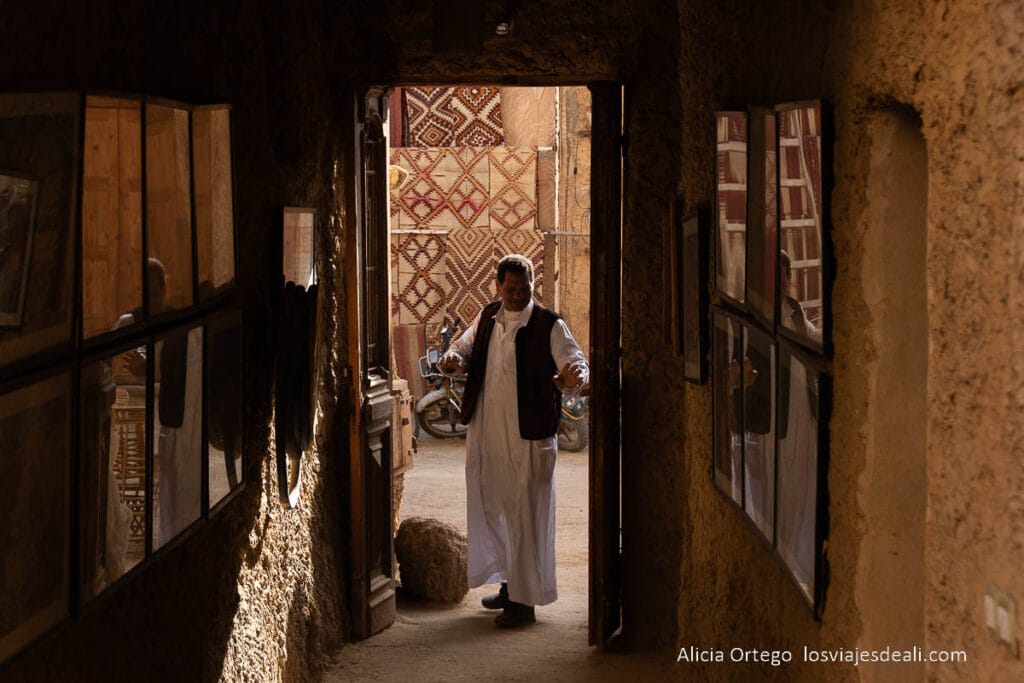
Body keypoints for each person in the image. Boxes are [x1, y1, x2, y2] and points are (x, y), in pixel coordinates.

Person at [438, 254, 588, 628]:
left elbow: (574, 361)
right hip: (489, 434)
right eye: (512, 289)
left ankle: (524, 604)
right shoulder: (487, 317)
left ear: (533, 286)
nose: (519, 295)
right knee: (498, 510)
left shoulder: (549, 324)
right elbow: (464, 347)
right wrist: (453, 357)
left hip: (528, 439)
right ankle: (510, 586)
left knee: (526, 516)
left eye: (526, 289)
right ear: (498, 286)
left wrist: (575, 377)